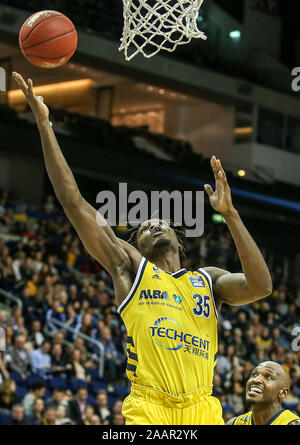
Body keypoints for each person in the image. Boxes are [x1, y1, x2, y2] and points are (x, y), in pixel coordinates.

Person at [13, 72, 272, 425]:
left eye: (159, 221)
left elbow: (261, 287)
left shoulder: (208, 281)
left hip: (203, 409)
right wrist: (44, 125)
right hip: (149, 408)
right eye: (142, 228)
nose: (151, 223)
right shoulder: (130, 268)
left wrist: (231, 216)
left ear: (179, 239)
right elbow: (74, 203)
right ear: (136, 245)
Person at [227, 361, 300, 425]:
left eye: (268, 377)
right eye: (254, 375)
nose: (255, 380)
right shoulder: (234, 423)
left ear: (283, 393)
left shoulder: (293, 423)